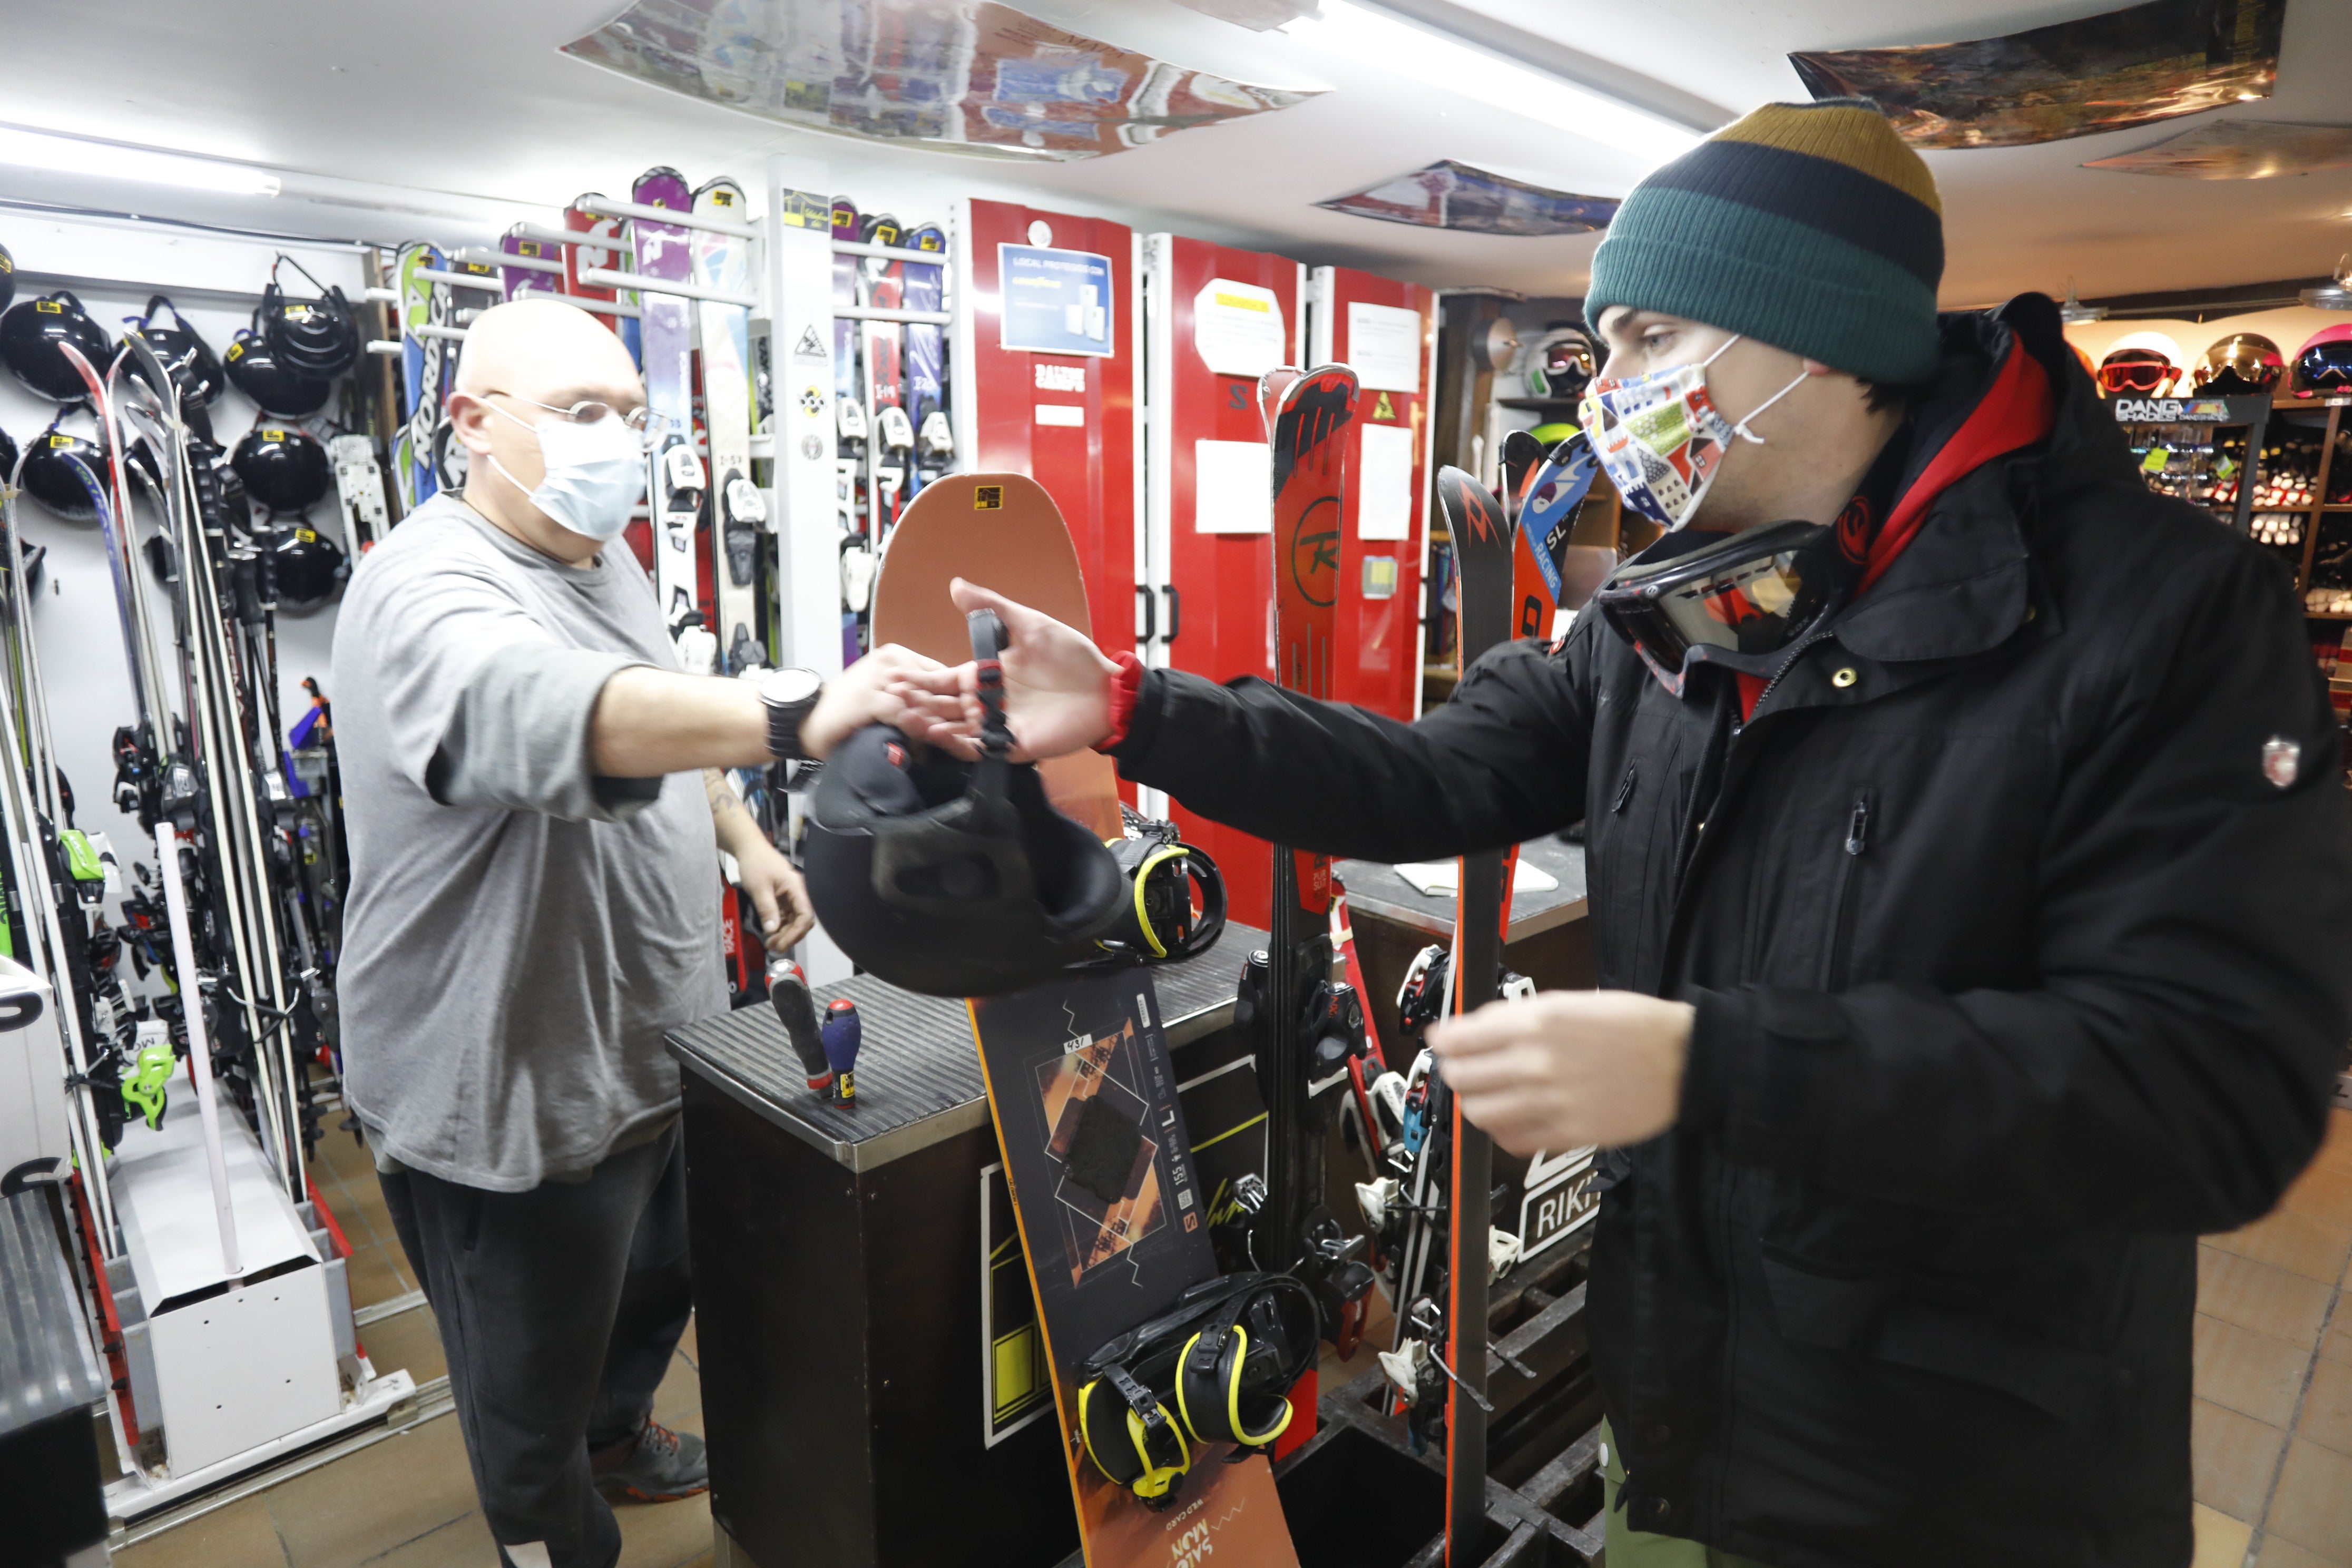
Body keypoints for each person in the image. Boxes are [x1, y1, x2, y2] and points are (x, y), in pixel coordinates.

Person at [908, 102, 2352, 1566]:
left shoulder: (2163, 623)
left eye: (1655, 338)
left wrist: (1702, 1063)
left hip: (1963, 1481)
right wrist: (1134, 707)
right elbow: (1428, 776)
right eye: (1606, 348)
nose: (1613, 393)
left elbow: (2208, 1093)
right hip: (1678, 1408)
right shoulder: (1671, 611)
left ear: (1818, 336)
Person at [332, 299, 953, 1568]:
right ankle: (555, 1536)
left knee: (657, 1283)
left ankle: (619, 1432)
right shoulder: (423, 589)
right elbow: (548, 708)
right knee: (526, 1401)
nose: (615, 439)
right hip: (509, 1093)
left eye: (629, 413)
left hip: (655, 1040)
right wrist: (795, 711)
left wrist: (748, 841)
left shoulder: (599, 560)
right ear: (472, 424)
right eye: (579, 414)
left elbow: (660, 708)